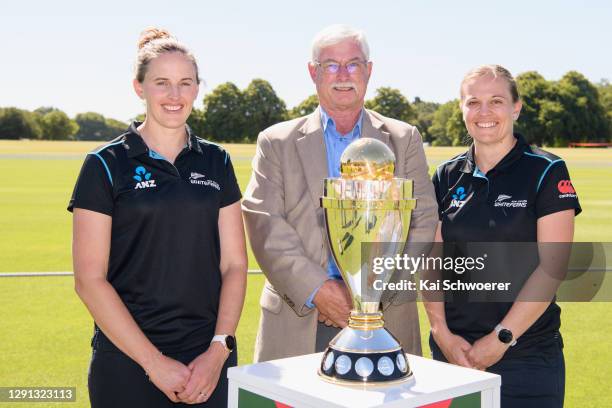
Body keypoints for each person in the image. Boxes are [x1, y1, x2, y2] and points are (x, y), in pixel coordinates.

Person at [69, 28, 247, 407]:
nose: (175, 95)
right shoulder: (104, 164)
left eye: (185, 83)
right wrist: (154, 363)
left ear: (198, 88)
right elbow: (89, 279)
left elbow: (234, 264)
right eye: (161, 83)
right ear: (139, 87)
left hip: (209, 364)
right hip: (127, 363)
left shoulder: (217, 160)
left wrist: (219, 351)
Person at [242, 24, 438, 363]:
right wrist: (319, 291)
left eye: (353, 63)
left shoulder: (404, 138)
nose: (343, 74)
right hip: (299, 320)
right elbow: (266, 226)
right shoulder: (275, 141)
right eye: (331, 64)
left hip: (385, 320)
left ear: (369, 71)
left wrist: (369, 296)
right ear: (313, 73)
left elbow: (422, 221)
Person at [425, 65, 581, 407]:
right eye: (473, 102)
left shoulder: (547, 171)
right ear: (462, 109)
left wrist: (501, 338)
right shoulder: (444, 175)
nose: (484, 112)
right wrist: (442, 334)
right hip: (453, 357)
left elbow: (552, 267)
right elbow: (431, 261)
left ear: (516, 107)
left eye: (496, 101)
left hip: (525, 359)